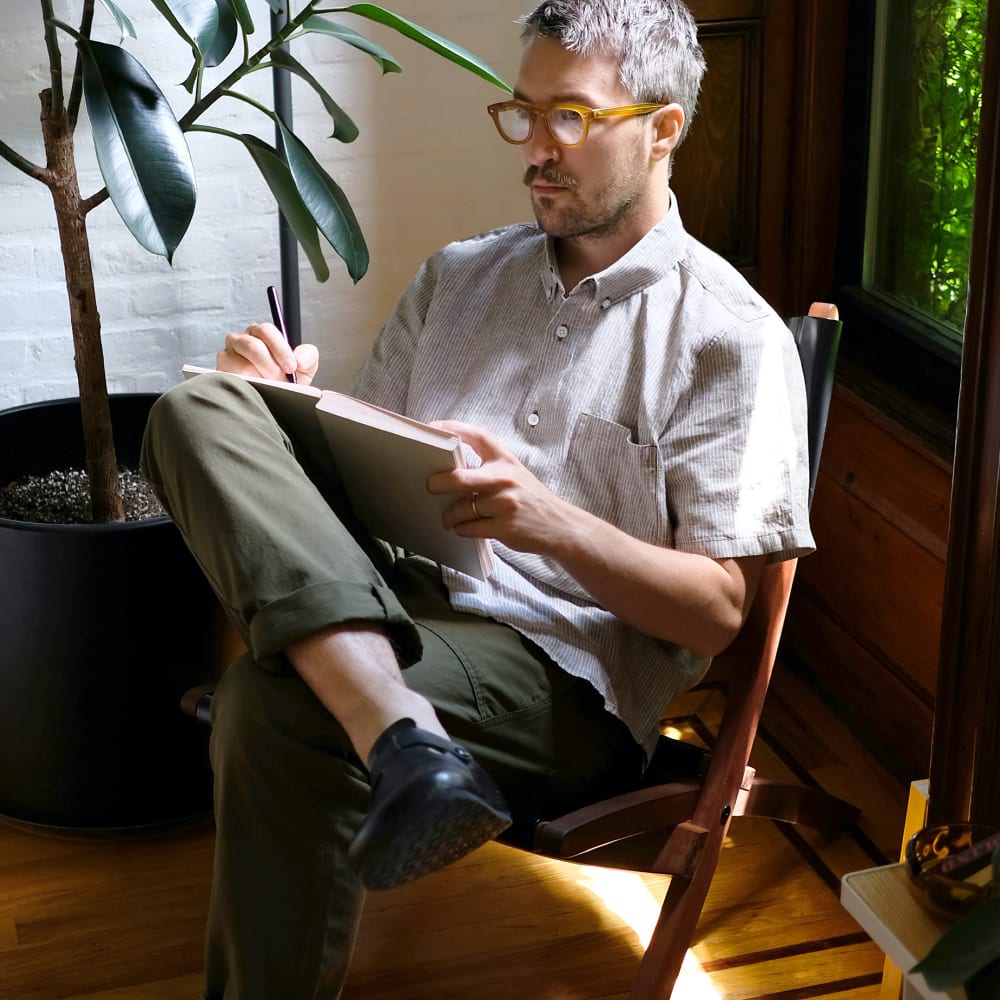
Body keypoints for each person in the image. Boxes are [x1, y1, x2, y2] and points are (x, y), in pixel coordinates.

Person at [140, 0, 815, 996]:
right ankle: (403, 734)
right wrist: (281, 407)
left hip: (560, 676)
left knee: (272, 702)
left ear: (662, 127)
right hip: (400, 597)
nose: (536, 149)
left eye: (570, 118)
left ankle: (388, 731)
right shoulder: (458, 277)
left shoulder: (728, 338)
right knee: (196, 408)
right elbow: (361, 485)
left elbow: (720, 613)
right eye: (522, 114)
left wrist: (551, 519)